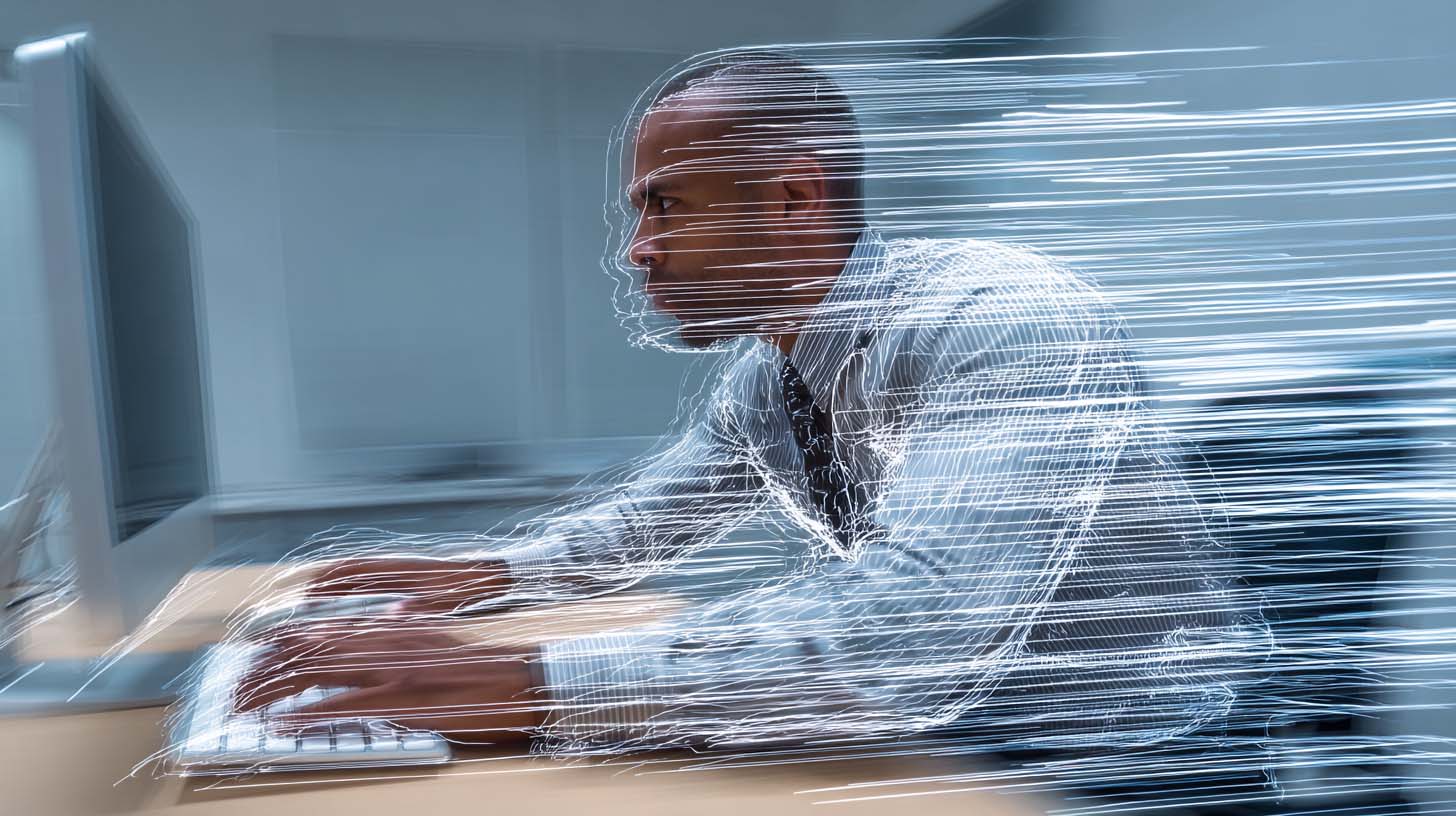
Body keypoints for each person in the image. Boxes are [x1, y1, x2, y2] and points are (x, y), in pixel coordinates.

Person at [235, 52, 1263, 756]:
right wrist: (483, 577)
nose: (635, 250)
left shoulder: (1001, 320)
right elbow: (647, 524)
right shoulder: (769, 377)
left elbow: (920, 624)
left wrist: (528, 680)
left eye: (663, 206)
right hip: (962, 726)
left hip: (1121, 753)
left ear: (791, 197)